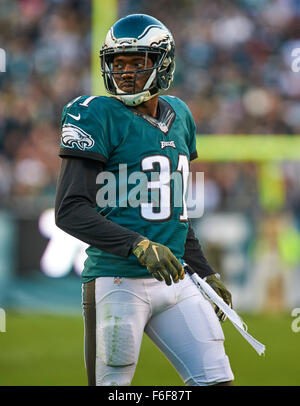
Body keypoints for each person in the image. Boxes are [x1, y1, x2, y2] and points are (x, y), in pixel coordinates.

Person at [55, 13, 234, 386]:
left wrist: (204, 270)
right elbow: (69, 210)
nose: (125, 72)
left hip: (174, 278)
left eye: (138, 62)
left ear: (162, 63)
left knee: (216, 379)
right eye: (118, 63)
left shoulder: (180, 115)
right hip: (116, 280)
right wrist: (137, 245)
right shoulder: (96, 114)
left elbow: (175, 212)